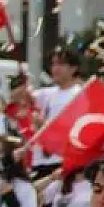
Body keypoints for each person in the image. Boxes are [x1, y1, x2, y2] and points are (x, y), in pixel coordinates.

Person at [31, 49, 84, 180]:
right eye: (53, 64)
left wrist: (44, 126)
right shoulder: (47, 94)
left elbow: (74, 132)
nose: (55, 68)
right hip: (40, 161)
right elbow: (21, 97)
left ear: (73, 68)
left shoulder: (79, 95)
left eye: (60, 64)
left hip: (61, 161)